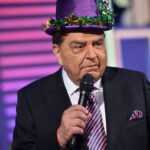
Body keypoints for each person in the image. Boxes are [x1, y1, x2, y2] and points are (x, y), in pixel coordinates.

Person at [12, 0, 150, 150]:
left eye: (98, 44)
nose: (92, 55)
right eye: (79, 46)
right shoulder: (32, 99)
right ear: (58, 53)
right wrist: (58, 139)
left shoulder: (136, 84)